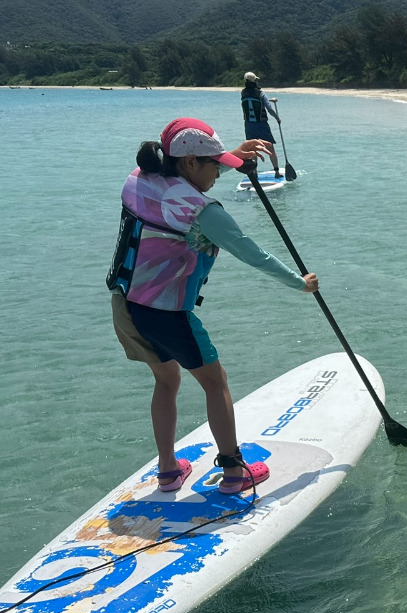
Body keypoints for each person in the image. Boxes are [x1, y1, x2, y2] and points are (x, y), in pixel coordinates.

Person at [106, 117, 319, 495]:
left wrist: (227, 156)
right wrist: (298, 283)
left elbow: (178, 181)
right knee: (215, 383)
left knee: (166, 381)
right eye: (214, 165)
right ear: (190, 163)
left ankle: (168, 471)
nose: (219, 174)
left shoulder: (139, 178)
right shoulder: (202, 211)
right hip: (170, 315)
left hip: (127, 305)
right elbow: (252, 253)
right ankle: (236, 473)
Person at [241, 72, 281, 176]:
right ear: (255, 81)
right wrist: (278, 118)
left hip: (249, 125)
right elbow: (269, 109)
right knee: (270, 147)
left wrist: (269, 100)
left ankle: (254, 173)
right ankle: (276, 171)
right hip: (261, 125)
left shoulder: (243, 93)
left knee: (253, 149)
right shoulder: (260, 93)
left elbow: (252, 101)